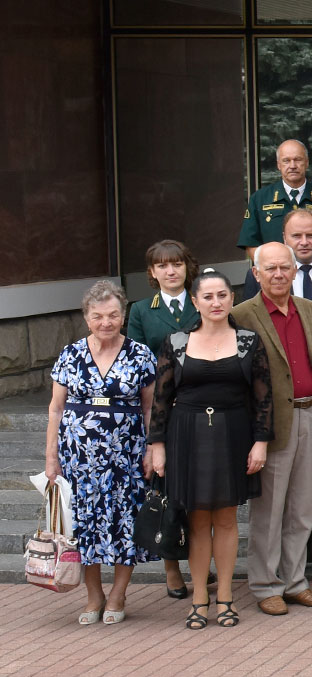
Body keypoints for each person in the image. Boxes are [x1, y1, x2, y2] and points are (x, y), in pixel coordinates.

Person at [148, 271, 271, 629]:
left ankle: (226, 598)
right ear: (195, 302)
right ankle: (199, 598)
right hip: (187, 435)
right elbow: (161, 400)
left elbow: (263, 398)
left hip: (234, 434)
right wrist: (158, 447)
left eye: (222, 295)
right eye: (208, 297)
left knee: (227, 519)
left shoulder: (248, 341)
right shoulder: (176, 341)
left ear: (232, 299)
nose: (216, 303)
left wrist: (261, 441)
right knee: (198, 521)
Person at [45, 281, 158, 624]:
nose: (105, 322)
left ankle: (119, 593)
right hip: (79, 457)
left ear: (123, 316)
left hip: (127, 456)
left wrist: (152, 448)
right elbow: (55, 408)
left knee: (126, 521)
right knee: (84, 524)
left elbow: (150, 408)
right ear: (86, 318)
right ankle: (94, 595)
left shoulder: (140, 354)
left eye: (112, 315)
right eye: (97, 316)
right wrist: (51, 457)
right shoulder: (71, 355)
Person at [229, 240, 312, 614]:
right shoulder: (241, 315)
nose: (278, 274)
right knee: (269, 511)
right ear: (256, 274)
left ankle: (295, 582)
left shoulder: (309, 309)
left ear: (294, 270)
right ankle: (265, 585)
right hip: (270, 423)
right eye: (269, 268)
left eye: (284, 267)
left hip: (309, 414)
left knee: (302, 509)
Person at [125, 240, 198, 598]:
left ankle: (200, 560)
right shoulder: (141, 310)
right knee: (168, 489)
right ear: (152, 272)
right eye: (163, 265)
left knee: (202, 490)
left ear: (187, 267)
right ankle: (172, 568)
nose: (171, 271)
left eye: (177, 263)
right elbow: (137, 362)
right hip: (164, 410)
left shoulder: (203, 300)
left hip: (203, 406)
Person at [239, 139, 312, 259]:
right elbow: (251, 244)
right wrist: (271, 266)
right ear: (278, 165)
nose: (292, 166)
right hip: (277, 269)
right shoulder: (259, 199)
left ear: (307, 163)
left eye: (298, 160)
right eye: (286, 161)